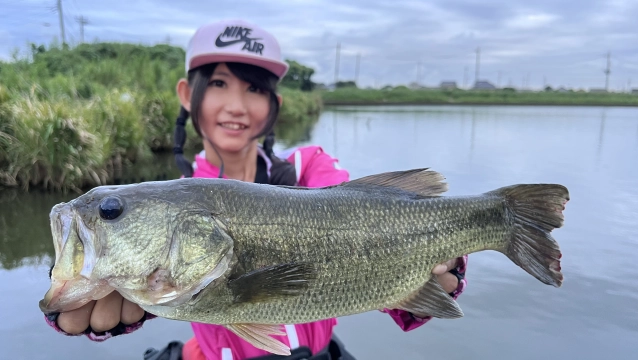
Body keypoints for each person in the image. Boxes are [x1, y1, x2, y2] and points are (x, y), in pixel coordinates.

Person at [44, 19, 469, 360]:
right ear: (186, 96)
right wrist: (114, 305)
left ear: (274, 107)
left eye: (255, 88)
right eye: (217, 83)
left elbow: (360, 227)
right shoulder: (168, 197)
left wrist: (434, 264)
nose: (236, 105)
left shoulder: (312, 167)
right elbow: (158, 285)